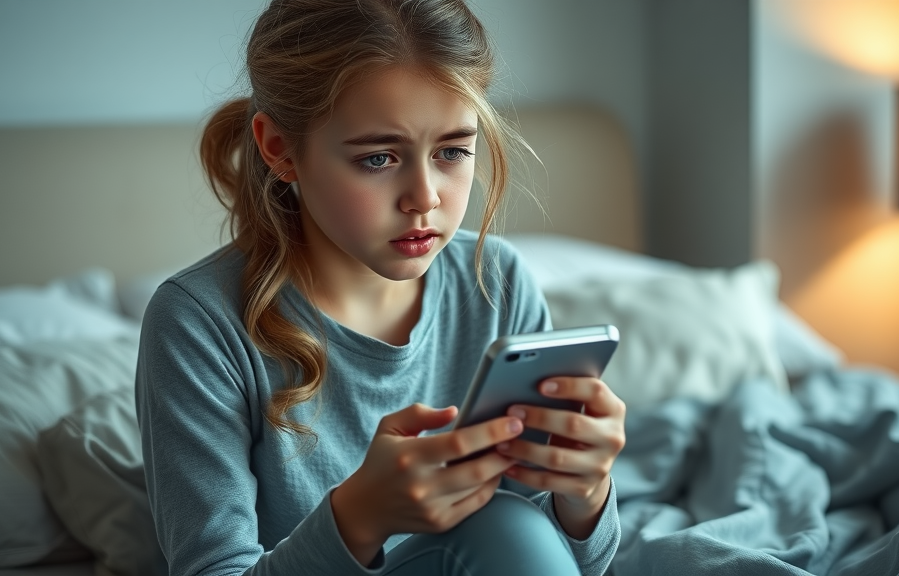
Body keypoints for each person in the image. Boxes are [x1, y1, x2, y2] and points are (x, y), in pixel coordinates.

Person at [135, 1, 626, 574]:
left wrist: (585, 497)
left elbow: (570, 562)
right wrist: (359, 517)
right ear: (280, 149)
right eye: (378, 158)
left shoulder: (497, 282)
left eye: (452, 152)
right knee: (505, 522)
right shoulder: (199, 324)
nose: (425, 196)